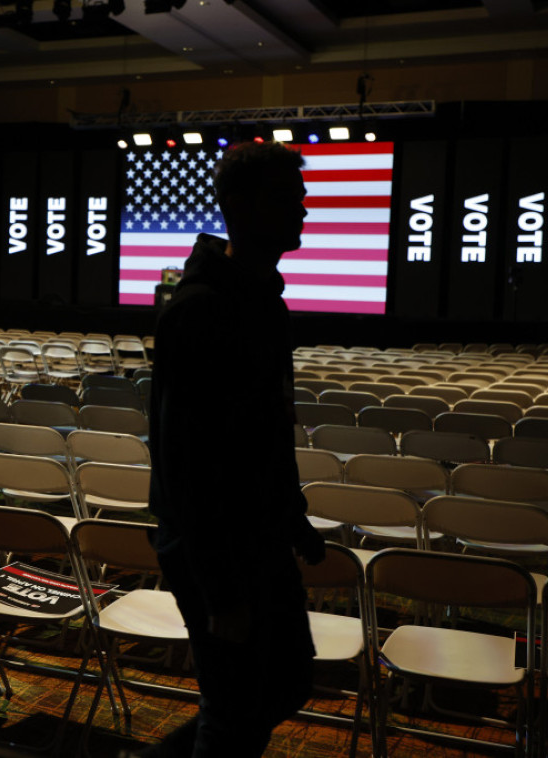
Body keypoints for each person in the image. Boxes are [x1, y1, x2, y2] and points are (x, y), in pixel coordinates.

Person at [140, 141, 327, 757]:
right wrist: (221, 590)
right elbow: (186, 464)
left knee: (286, 680)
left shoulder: (263, 303)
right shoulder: (203, 311)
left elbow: (268, 426)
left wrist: (292, 514)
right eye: (289, 201)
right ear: (244, 208)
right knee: (237, 706)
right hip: (216, 546)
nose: (303, 213)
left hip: (261, 533)